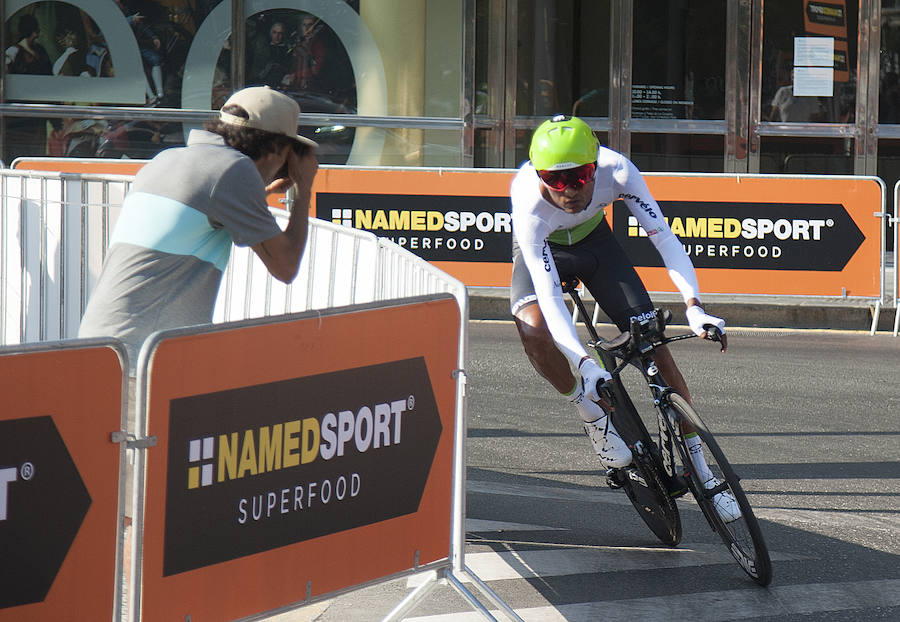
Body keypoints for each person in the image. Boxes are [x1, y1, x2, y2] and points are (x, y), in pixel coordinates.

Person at [510, 115, 739, 521]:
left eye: (579, 176)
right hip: (546, 251)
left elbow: (663, 237)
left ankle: (703, 473)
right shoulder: (527, 199)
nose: (570, 190)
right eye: (555, 180)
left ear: (594, 166)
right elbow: (548, 296)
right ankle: (590, 413)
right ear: (539, 175)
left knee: (655, 347)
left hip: (597, 245)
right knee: (534, 332)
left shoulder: (618, 170)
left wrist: (695, 307)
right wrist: (582, 363)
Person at [78, 85, 318, 367]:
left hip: (101, 346)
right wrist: (304, 188)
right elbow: (286, 266)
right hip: (144, 360)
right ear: (275, 149)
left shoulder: (167, 159)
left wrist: (259, 192)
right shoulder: (234, 171)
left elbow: (202, 210)